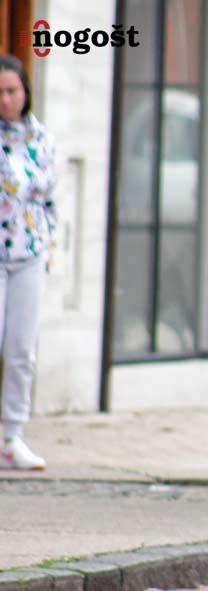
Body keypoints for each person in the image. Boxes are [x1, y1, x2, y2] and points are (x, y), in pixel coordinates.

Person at [0, 55, 56, 471]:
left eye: (12, 91)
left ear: (25, 93)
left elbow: (49, 199)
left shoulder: (42, 139)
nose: (5, 99)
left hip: (29, 255)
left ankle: (11, 436)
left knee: (21, 349)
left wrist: (49, 245)